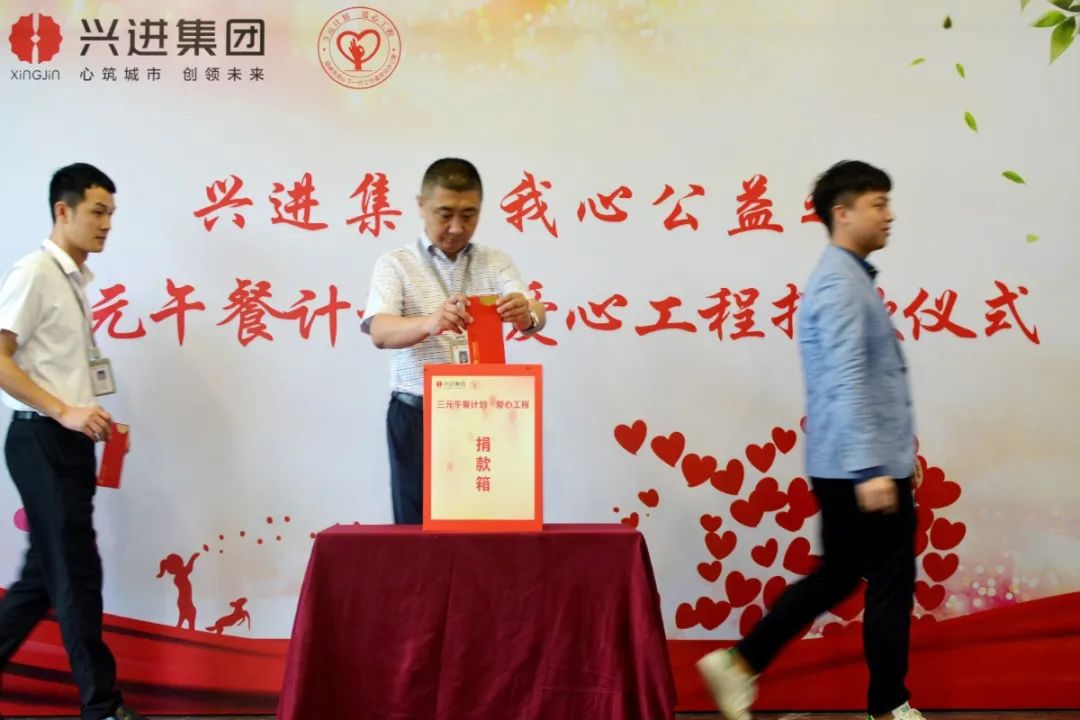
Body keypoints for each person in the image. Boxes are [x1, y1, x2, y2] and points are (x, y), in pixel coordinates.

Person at [697, 161, 924, 720]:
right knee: (890, 583)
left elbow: (865, 381)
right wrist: (872, 467)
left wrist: (896, 453)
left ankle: (742, 662)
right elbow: (847, 380)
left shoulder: (845, 277)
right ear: (841, 213)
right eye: (877, 204)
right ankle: (889, 706)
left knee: (839, 575)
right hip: (859, 467)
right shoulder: (841, 284)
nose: (890, 215)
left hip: (848, 461)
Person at [0, 163, 144, 720]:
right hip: (41, 439)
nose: (107, 224)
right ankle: (102, 706)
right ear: (63, 211)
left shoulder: (73, 280)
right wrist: (63, 409)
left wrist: (80, 413)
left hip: (65, 443)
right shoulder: (35, 272)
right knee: (77, 576)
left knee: (42, 578)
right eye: (97, 212)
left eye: (111, 214)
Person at [362, 158, 546, 524]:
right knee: (416, 530)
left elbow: (536, 312)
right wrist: (430, 323)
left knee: (486, 526)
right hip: (417, 413)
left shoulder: (495, 261)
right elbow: (380, 332)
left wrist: (527, 313)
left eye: (469, 215)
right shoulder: (395, 264)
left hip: (485, 412)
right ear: (421, 206)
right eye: (445, 214)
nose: (457, 227)